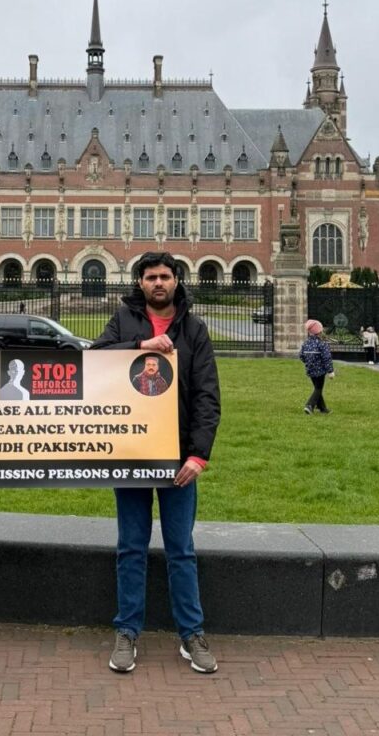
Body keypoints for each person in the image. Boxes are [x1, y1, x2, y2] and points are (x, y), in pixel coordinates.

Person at [92, 250, 221, 675]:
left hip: (178, 458)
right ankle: (127, 631)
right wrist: (140, 346)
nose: (159, 283)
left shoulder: (194, 329)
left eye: (165, 276)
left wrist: (199, 454)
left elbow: (207, 397)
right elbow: (94, 362)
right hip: (131, 455)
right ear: (141, 282)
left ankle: (192, 633)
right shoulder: (124, 321)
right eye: (151, 277)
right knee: (131, 547)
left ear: (177, 281)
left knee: (181, 549)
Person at [300, 319, 334, 415]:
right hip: (320, 370)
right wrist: (330, 371)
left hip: (310, 369)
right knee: (318, 389)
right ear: (319, 331)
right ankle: (309, 406)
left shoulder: (306, 343)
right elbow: (326, 358)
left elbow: (301, 356)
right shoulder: (322, 344)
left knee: (317, 388)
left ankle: (323, 408)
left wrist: (308, 362)